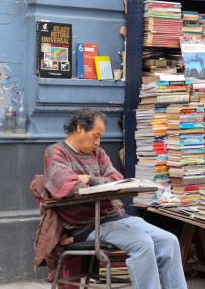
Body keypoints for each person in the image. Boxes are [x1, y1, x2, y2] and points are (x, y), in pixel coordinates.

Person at [44, 108, 187, 289]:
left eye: (100, 137)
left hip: (116, 217)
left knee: (169, 241)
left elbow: (117, 179)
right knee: (142, 243)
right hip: (87, 224)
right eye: (95, 136)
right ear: (80, 128)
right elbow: (66, 185)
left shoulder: (99, 154)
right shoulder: (56, 153)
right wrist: (94, 182)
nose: (98, 142)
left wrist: (91, 179)